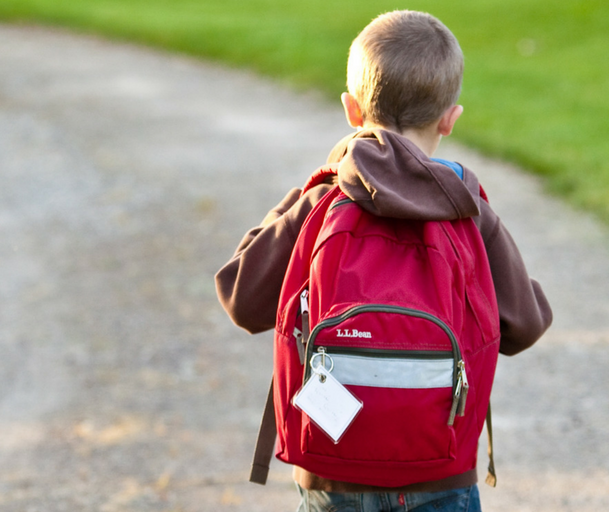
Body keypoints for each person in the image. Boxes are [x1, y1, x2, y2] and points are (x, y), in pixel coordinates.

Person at [215, 10, 552, 512]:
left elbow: (242, 297)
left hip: (331, 469)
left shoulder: (324, 201)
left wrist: (309, 192)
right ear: (449, 119)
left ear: (352, 110)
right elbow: (525, 325)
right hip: (439, 472)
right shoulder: (466, 207)